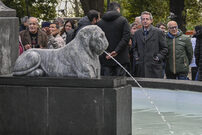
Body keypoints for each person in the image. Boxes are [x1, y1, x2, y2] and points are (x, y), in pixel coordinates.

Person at [97, 2, 130, 76]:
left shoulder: (100, 23)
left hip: (105, 58)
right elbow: (126, 37)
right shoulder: (123, 21)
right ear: (118, 9)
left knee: (106, 83)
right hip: (121, 58)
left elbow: (97, 40)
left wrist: (106, 51)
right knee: (120, 84)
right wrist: (116, 51)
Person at [132, 11, 167, 78]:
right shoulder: (137, 33)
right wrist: (136, 57)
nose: (145, 21)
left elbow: (164, 48)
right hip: (141, 67)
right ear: (141, 21)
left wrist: (158, 57)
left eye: (147, 19)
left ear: (151, 20)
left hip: (154, 67)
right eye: (143, 19)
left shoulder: (158, 32)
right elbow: (134, 48)